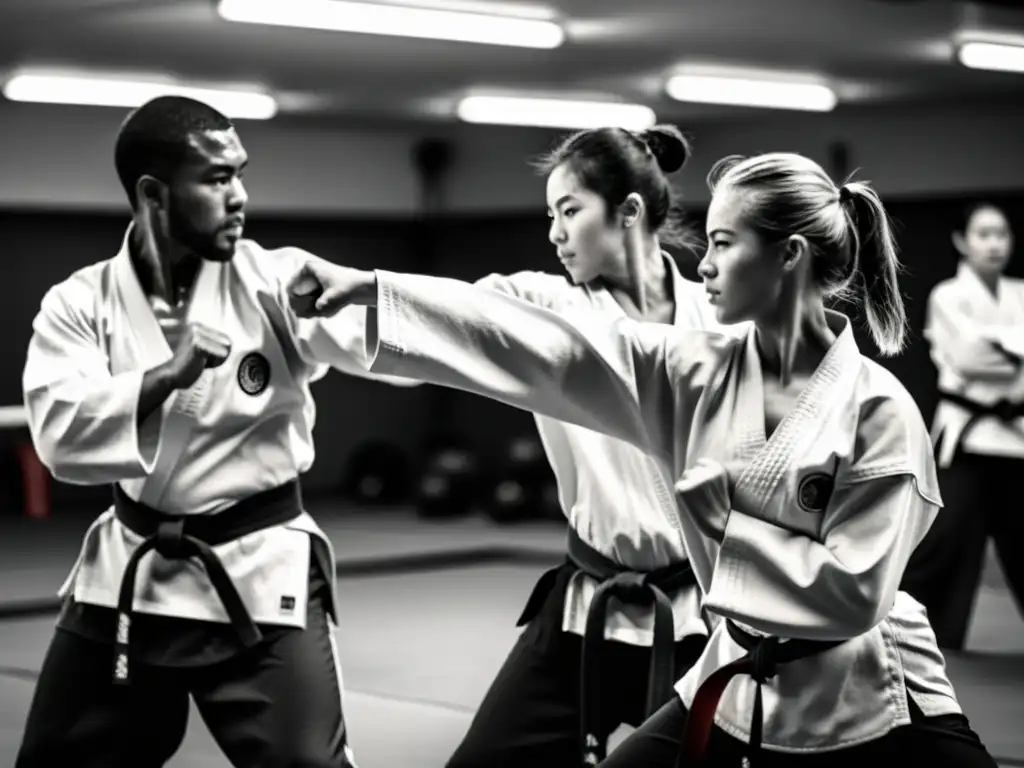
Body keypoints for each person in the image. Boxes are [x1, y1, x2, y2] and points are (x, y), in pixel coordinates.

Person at [287, 151, 998, 767]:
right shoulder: (690, 368)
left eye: (724, 243)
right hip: (733, 670)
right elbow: (545, 347)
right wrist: (378, 293)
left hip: (866, 688)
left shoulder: (880, 410)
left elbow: (856, 594)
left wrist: (727, 524)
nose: (708, 264)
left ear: (789, 256)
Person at [15, 95, 412, 768]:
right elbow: (58, 435)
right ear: (153, 193)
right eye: (218, 178)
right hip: (130, 577)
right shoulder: (79, 303)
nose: (241, 197)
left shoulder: (277, 282)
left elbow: (396, 346)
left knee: (307, 763)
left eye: (241, 174)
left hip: (256, 570)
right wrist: (165, 377)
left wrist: (390, 299)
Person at [429, 124, 739, 767]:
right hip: (585, 608)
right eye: (551, 215)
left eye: (570, 211)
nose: (555, 233)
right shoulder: (550, 310)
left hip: (703, 619)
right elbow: (451, 311)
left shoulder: (722, 318)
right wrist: (356, 292)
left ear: (628, 212)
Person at [901, 202, 1024, 650]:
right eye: (983, 234)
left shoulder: (1020, 292)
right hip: (967, 436)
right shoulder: (948, 296)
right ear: (961, 241)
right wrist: (1012, 351)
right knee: (944, 544)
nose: (994, 244)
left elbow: (985, 358)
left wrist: (999, 348)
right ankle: (924, 640)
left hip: (1016, 440)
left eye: (1002, 234)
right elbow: (969, 358)